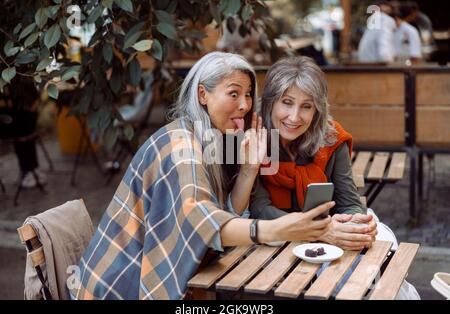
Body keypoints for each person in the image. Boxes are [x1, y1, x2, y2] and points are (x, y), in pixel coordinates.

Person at [69, 52, 333, 300]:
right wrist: (278, 228)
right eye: (233, 93)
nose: (244, 105)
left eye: (249, 94)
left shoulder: (215, 137)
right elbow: (201, 221)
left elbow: (224, 213)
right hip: (117, 286)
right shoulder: (181, 145)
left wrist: (249, 170)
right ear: (203, 94)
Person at [250, 56, 420, 299]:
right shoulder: (253, 137)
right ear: (269, 102)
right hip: (273, 242)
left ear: (318, 108)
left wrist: (355, 225)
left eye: (306, 106)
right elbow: (260, 209)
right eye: (286, 103)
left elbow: (349, 200)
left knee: (379, 276)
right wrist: (321, 230)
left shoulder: (330, 137)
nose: (294, 116)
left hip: (328, 238)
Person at [0, 77, 46, 188]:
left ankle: (30, 171)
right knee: (22, 139)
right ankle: (30, 171)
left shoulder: (19, 78)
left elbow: (34, 98)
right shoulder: (13, 78)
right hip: (20, 118)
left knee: (23, 139)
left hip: (22, 119)